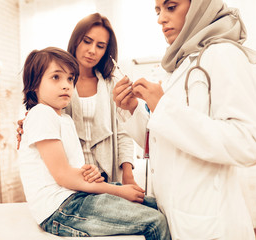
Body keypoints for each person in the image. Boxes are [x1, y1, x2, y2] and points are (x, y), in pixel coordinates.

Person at [113, 0, 256, 239]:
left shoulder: (224, 54)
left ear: (198, 6)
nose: (161, 18)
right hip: (179, 218)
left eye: (170, 7)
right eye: (158, 11)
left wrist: (162, 107)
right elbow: (169, 142)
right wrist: (132, 109)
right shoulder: (181, 64)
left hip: (211, 223)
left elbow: (248, 143)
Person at [18, 46, 171, 239]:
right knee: (155, 222)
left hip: (75, 195)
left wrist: (86, 171)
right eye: (56, 77)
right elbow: (63, 177)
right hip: (60, 208)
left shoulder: (63, 118)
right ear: (33, 84)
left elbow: (68, 169)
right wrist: (118, 191)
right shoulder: (41, 114)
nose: (66, 85)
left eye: (70, 78)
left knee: (152, 204)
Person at [18, 13, 138, 186]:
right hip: (72, 178)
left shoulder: (112, 84)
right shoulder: (57, 84)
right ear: (76, 40)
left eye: (100, 46)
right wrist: (26, 124)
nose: (92, 50)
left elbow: (123, 133)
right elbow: (44, 119)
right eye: (87, 41)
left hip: (106, 174)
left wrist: (128, 174)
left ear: (106, 51)